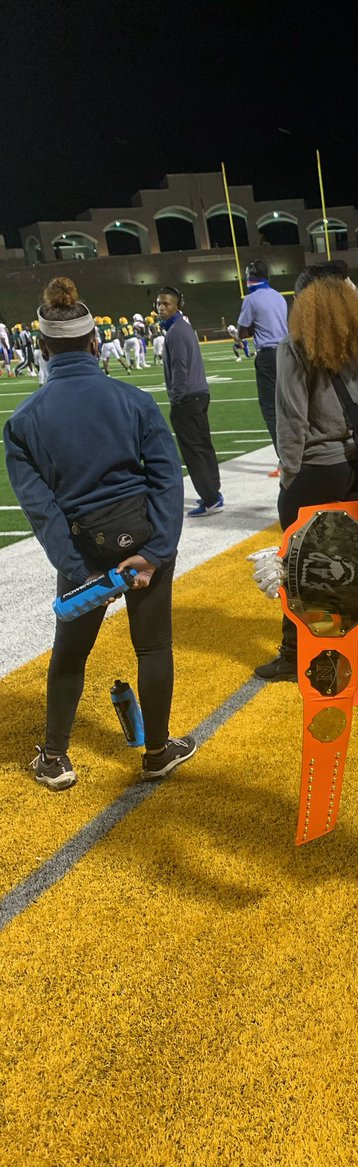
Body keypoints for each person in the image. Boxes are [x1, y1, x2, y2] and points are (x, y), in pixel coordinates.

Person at [3, 277, 196, 790]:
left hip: (82, 547)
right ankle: (157, 752)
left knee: (70, 653)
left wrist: (81, 572)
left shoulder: (23, 420)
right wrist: (156, 551)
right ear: (95, 342)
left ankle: (55, 757)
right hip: (144, 537)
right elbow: (167, 480)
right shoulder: (134, 399)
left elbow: (42, 510)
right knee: (153, 647)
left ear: (42, 347)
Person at [254, 264, 358, 682]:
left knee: (301, 567)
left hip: (318, 467)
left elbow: (291, 420)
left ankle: (296, 655)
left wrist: (289, 476)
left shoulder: (295, 346)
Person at [157, 286, 223, 516]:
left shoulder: (175, 332)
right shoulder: (184, 327)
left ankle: (210, 499)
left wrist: (176, 399)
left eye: (166, 303)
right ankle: (213, 492)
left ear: (177, 305)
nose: (161, 308)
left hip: (187, 397)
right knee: (203, 446)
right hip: (199, 393)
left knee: (193, 451)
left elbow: (180, 368)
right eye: (158, 303)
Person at [237, 259, 288, 454]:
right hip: (286, 353)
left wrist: (251, 330)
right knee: (289, 405)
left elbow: (242, 332)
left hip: (268, 356)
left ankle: (284, 458)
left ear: (250, 276)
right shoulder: (278, 296)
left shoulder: (251, 299)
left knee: (271, 409)